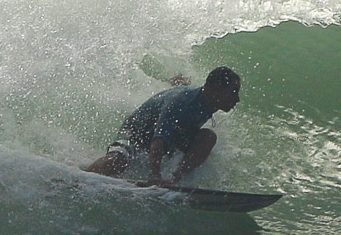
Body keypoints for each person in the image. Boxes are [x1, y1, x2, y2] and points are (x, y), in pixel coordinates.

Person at [84, 66, 241, 186]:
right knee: (117, 162)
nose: (237, 98)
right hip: (137, 132)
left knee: (208, 137)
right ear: (215, 90)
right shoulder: (181, 102)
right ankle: (80, 178)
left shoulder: (207, 99)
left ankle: (175, 178)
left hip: (174, 135)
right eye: (233, 92)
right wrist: (155, 177)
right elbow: (158, 142)